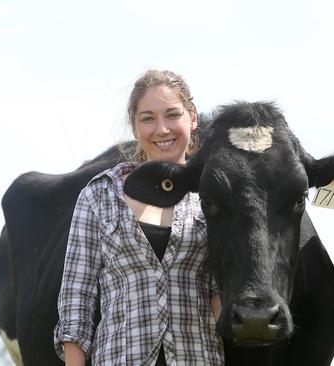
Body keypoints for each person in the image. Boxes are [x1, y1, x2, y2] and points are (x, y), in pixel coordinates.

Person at [53, 69, 224, 365]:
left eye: (172, 115)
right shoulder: (99, 196)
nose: (162, 129)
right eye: (148, 118)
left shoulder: (212, 199)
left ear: (192, 117)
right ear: (134, 126)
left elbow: (221, 294)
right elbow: (76, 304)